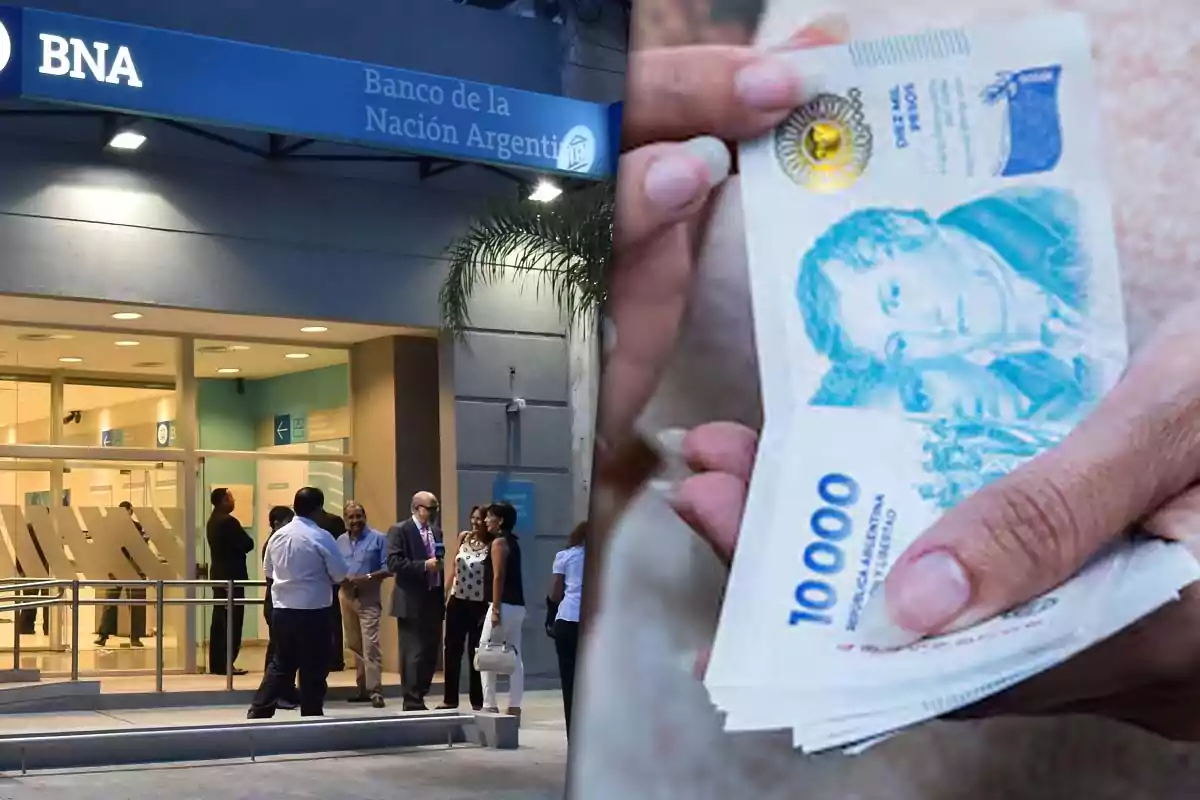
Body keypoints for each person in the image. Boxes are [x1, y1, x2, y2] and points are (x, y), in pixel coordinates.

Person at [601, 33, 1200, 744]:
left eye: (892, 293)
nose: (914, 334)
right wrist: (602, 412)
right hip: (658, 726)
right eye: (888, 343)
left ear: (916, 230)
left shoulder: (1039, 222)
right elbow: (613, 492)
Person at [248, 486, 348, 719]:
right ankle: (311, 713)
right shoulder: (321, 536)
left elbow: (269, 571)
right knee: (313, 665)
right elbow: (340, 573)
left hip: (282, 610)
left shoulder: (278, 536)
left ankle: (260, 709)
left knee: (281, 663)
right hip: (315, 610)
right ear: (318, 509)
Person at [387, 491, 444, 711]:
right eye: (430, 509)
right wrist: (423, 566)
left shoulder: (436, 531)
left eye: (436, 508)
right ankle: (411, 699)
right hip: (410, 599)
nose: (433, 513)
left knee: (430, 650)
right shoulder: (400, 530)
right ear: (416, 507)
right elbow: (394, 563)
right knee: (413, 652)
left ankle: (421, 692)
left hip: (432, 596)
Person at [337, 501, 390, 708]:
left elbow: (388, 569)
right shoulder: (339, 541)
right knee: (354, 644)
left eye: (358, 516)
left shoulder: (378, 539)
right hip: (346, 596)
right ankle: (362, 689)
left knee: (371, 645)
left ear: (365, 517)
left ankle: (375, 691)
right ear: (345, 520)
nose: (355, 521)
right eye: (351, 517)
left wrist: (365, 577)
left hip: (368, 598)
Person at [438, 505, 491, 711]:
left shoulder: (492, 543)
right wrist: (445, 592)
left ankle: (477, 700)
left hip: (478, 603)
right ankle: (450, 698)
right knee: (452, 650)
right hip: (457, 600)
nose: (476, 522)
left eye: (480, 519)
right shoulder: (463, 537)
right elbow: (454, 565)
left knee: (475, 652)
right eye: (474, 518)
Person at [480, 501, 526, 721]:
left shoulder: (498, 543)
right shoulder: (513, 542)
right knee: (514, 655)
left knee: (487, 652)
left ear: (500, 520)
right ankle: (515, 705)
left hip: (502, 605)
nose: (485, 520)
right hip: (517, 605)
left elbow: (498, 576)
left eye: (489, 517)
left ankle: (489, 703)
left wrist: (495, 608)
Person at [206, 487, 254, 676]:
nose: (233, 500)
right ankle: (226, 663)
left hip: (219, 574)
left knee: (220, 619)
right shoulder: (229, 522)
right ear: (223, 501)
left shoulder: (213, 520)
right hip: (230, 577)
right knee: (231, 621)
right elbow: (248, 544)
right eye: (231, 497)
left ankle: (218, 663)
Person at [549, 521, 587, 736]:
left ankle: (573, 732)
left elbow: (555, 593)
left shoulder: (565, 556)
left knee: (569, 679)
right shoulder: (606, 557)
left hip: (568, 618)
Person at [263, 505, 300, 711]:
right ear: (277, 523)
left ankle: (285, 690)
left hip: (279, 603)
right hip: (277, 603)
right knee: (279, 651)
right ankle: (275, 693)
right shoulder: (275, 543)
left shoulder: (280, 541)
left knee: (283, 649)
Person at [96, 502, 148, 648]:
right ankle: (108, 634)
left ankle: (110, 635)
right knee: (114, 601)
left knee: (118, 601)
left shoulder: (130, 527)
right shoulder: (122, 527)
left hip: (126, 567)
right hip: (123, 567)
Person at [316, 507, 348, 672]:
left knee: (332, 618)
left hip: (325, 577)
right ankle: (333, 658)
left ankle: (335, 658)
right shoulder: (332, 521)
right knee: (332, 617)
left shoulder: (330, 522)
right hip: (328, 576)